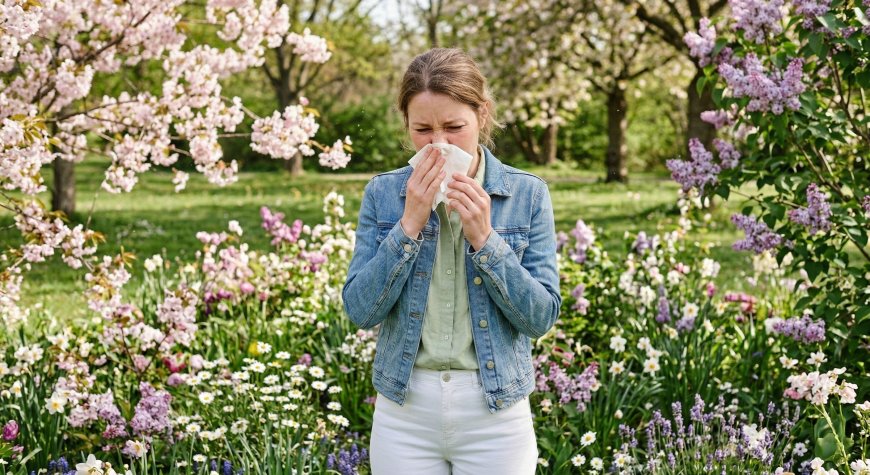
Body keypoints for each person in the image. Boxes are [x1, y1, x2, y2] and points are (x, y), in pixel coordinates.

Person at [341, 47, 561, 475]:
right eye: (422, 129)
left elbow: (540, 318)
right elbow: (360, 310)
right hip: (404, 410)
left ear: (482, 115)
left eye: (455, 127)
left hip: (495, 411)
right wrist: (407, 227)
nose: (439, 144)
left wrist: (485, 238)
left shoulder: (528, 195)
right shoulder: (384, 194)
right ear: (405, 125)